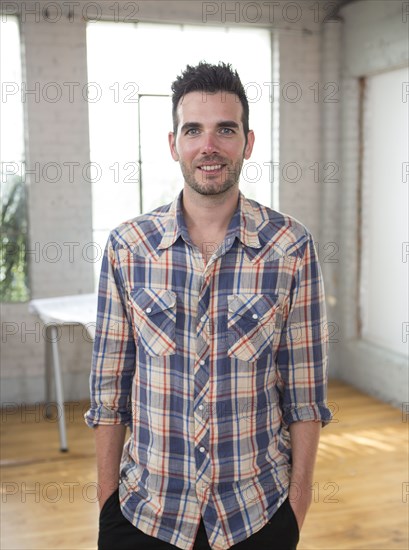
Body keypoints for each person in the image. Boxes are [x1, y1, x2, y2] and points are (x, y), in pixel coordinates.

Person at [85, 61, 332, 550]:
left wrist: (296, 509)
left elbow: (305, 396)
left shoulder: (291, 247)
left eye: (225, 129)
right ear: (173, 143)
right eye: (193, 129)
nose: (209, 145)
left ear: (248, 142)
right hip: (144, 514)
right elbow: (109, 395)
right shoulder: (127, 247)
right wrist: (108, 501)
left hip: (256, 515)